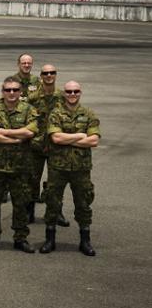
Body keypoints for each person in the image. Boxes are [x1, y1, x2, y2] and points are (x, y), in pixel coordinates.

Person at [40, 81, 100, 256]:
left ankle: (85, 241)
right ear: (64, 94)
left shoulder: (88, 114)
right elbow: (56, 138)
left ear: (80, 92)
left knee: (83, 204)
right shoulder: (56, 114)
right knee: (52, 202)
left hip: (81, 168)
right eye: (69, 91)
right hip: (58, 167)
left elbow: (94, 140)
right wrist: (81, 135)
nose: (72, 94)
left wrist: (69, 138)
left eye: (75, 91)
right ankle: (50, 240)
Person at [0, 77, 38, 253]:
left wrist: (5, 132)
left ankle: (20, 238)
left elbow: (30, 131)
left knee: (21, 204)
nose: (11, 93)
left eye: (15, 90)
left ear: (21, 92)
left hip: (20, 167)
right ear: (2, 91)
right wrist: (15, 140)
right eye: (8, 90)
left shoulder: (29, 109)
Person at [27, 64, 66, 225]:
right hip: (35, 146)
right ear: (41, 76)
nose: (49, 75)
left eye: (52, 73)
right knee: (31, 180)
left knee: (56, 182)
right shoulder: (33, 98)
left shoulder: (63, 97)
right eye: (45, 73)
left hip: (56, 147)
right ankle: (29, 212)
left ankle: (56, 212)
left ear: (55, 75)